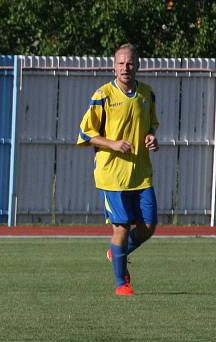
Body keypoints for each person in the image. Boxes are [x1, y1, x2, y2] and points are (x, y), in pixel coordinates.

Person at [77, 43, 160, 296]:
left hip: (140, 173)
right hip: (112, 175)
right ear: (114, 66)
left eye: (130, 62)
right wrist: (112, 143)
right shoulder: (102, 95)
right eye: (121, 63)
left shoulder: (147, 94)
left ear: (138, 65)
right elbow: (85, 133)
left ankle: (116, 253)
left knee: (149, 226)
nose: (126, 67)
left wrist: (151, 137)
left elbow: (151, 126)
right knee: (121, 227)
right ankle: (121, 283)